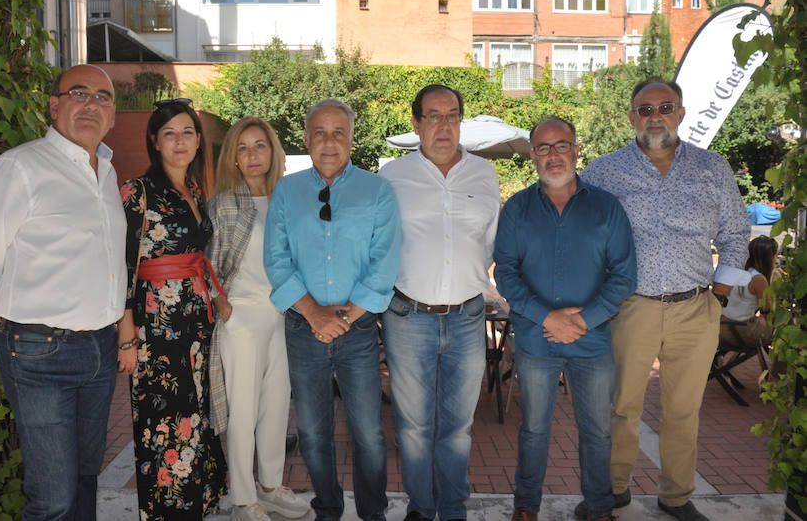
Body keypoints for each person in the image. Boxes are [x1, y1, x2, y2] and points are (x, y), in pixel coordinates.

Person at [0, 64, 127, 520]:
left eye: (103, 97)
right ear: (54, 106)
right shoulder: (20, 168)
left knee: (85, 478)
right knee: (52, 498)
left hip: (99, 349)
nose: (91, 105)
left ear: (112, 115)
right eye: (79, 93)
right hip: (39, 353)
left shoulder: (107, 172)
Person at [579, 79, 750, 521]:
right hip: (629, 307)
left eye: (665, 107)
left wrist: (720, 294)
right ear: (632, 117)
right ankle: (613, 491)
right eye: (645, 109)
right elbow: (581, 233)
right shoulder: (603, 171)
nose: (655, 116)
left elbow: (735, 233)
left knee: (683, 410)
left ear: (681, 113)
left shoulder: (712, 168)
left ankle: (675, 496)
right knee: (621, 406)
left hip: (696, 307)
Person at [494, 117, 637, 521]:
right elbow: (506, 273)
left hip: (593, 341)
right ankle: (526, 508)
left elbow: (624, 276)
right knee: (533, 431)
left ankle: (599, 509)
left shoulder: (607, 207)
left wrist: (584, 321)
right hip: (537, 340)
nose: (553, 155)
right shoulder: (517, 208)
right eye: (543, 148)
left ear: (576, 150)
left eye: (561, 145)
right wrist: (547, 318)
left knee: (597, 432)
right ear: (533, 156)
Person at [264, 99, 400, 521]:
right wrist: (314, 314)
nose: (329, 141)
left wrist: (341, 319)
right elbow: (277, 260)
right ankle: (327, 507)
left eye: (338, 132)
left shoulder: (377, 191)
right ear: (306, 139)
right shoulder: (287, 191)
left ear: (351, 139)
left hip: (358, 331)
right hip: (303, 329)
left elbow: (384, 264)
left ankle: (372, 513)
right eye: (320, 132)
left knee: (369, 433)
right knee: (311, 432)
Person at [378, 84, 500, 521]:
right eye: (434, 116)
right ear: (417, 124)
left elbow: (489, 241)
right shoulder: (391, 177)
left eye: (452, 115)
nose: (444, 124)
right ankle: (421, 507)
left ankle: (451, 509)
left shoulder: (484, 174)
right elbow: (378, 242)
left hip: (467, 317)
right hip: (408, 316)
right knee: (413, 427)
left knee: (458, 427)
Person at [115, 99, 227, 520]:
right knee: (164, 423)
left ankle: (196, 507)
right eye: (169, 133)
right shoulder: (137, 192)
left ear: (198, 141)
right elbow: (121, 267)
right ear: (155, 141)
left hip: (196, 324)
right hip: (157, 328)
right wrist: (126, 336)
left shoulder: (194, 190)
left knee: (196, 417)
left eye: (187, 132)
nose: (179, 141)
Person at [206, 117, 310, 521]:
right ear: (233, 156)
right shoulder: (223, 204)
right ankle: (243, 499)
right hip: (242, 318)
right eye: (243, 147)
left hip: (283, 316)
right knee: (244, 412)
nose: (252, 155)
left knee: (276, 408)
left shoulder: (287, 200)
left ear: (273, 151)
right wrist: (221, 302)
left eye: (260, 145)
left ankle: (269, 488)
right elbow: (206, 262)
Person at [719, 236, 778, 348]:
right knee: (783, 333)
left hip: (721, 329)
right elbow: (767, 312)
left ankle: (729, 355)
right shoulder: (758, 279)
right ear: (770, 258)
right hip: (739, 332)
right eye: (776, 256)